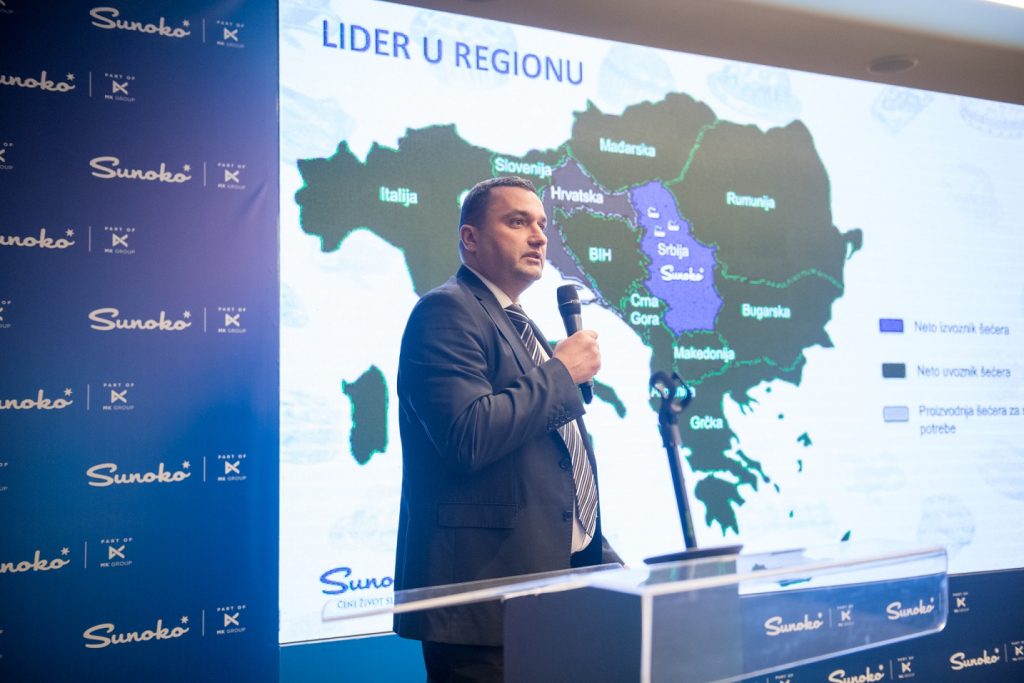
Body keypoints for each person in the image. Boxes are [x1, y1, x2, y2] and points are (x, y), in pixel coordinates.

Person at [393, 176, 621, 682]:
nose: (538, 236)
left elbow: (550, 468)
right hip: (484, 608)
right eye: (518, 222)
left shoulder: (518, 322)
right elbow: (468, 435)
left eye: (541, 225)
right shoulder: (446, 311)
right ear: (470, 238)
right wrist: (561, 373)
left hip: (549, 600)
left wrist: (599, 559)